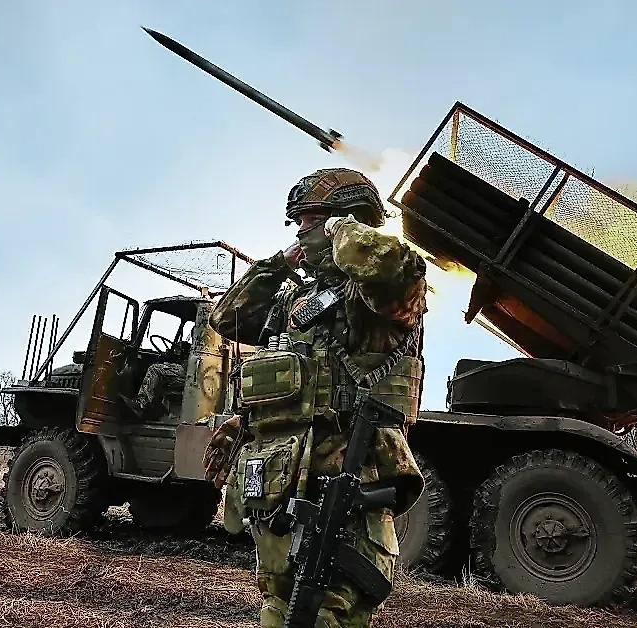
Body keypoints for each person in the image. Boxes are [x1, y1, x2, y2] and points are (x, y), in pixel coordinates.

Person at [203, 167, 427, 628]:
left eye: (310, 219)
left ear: (345, 220)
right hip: (282, 488)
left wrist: (344, 229)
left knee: (330, 617)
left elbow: (392, 267)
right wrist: (278, 266)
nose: (299, 229)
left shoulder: (376, 297)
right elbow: (225, 317)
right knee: (277, 610)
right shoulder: (296, 301)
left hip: (347, 488)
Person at [119, 341, 189, 420]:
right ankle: (153, 410)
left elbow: (183, 365)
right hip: (185, 372)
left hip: (187, 372)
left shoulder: (189, 357)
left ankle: (141, 404)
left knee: (155, 369)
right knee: (158, 376)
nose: (175, 350)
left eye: (177, 348)